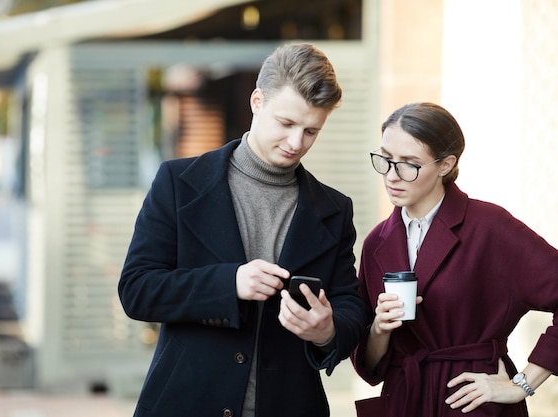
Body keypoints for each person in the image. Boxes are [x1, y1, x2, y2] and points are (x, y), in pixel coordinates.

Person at [119, 43, 367, 417]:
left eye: (311, 131)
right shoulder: (178, 182)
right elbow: (137, 289)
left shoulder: (334, 209)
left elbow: (349, 305)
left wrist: (328, 331)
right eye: (286, 123)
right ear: (257, 101)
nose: (296, 143)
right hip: (186, 403)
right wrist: (228, 283)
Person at [351, 102, 558, 416]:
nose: (392, 176)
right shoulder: (377, 242)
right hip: (405, 399)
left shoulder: (491, 227)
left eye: (409, 163)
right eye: (386, 159)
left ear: (445, 165)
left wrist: (522, 383)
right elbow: (369, 364)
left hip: (473, 401)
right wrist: (380, 327)